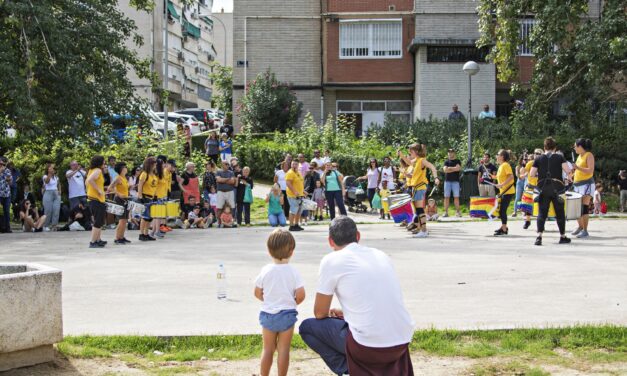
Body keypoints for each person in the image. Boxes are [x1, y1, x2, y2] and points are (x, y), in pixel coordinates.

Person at [299, 217, 414, 375]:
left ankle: (347, 371)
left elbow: (320, 313)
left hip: (367, 346)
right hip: (402, 340)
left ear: (330, 241)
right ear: (358, 236)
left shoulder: (331, 260)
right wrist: (347, 313)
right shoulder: (380, 255)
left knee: (308, 328)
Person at [255, 229, 305, 376]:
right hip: (287, 315)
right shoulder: (293, 271)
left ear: (269, 251)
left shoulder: (266, 270)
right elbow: (301, 295)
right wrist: (292, 302)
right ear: (291, 251)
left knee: (267, 349)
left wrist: (268, 300)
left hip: (268, 314)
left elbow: (257, 292)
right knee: (283, 349)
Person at [529, 137, 572, 246]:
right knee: (560, 213)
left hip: (543, 188)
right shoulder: (560, 157)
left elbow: (531, 174)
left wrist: (541, 173)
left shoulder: (538, 159)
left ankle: (539, 237)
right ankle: (562, 236)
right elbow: (568, 171)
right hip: (557, 188)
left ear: (544, 147)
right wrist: (569, 178)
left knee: (542, 213)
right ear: (555, 148)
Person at [398, 143, 440, 238]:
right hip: (416, 187)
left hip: (420, 187)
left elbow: (432, 167)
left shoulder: (422, 160)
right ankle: (421, 229)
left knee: (420, 209)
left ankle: (424, 230)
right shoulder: (416, 161)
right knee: (418, 209)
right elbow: (408, 162)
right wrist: (401, 155)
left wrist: (436, 177)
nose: (410, 153)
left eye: (411, 152)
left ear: (416, 152)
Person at [571, 138, 595, 238]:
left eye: (575, 146)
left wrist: (577, 168)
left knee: (584, 207)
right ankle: (580, 227)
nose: (574, 148)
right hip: (577, 184)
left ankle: (585, 230)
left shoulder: (588, 155)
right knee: (577, 207)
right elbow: (578, 170)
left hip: (586, 184)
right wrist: (572, 174)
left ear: (580, 147)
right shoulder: (579, 156)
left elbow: (590, 170)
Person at [85, 155, 108, 248]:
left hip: (94, 198)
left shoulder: (91, 170)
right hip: (96, 199)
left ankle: (98, 239)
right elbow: (90, 180)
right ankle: (93, 241)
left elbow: (87, 182)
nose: (104, 163)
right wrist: (98, 190)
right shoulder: (97, 170)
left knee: (99, 220)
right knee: (98, 221)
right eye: (103, 161)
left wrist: (100, 190)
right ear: (100, 162)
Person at [107, 162, 132, 244]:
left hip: (126, 199)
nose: (126, 168)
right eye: (124, 167)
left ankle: (122, 237)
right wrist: (118, 193)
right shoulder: (118, 178)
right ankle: (117, 238)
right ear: (121, 169)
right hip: (119, 200)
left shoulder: (124, 178)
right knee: (121, 220)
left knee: (125, 220)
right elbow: (110, 188)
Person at [494, 149, 516, 236]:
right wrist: (493, 176)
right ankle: (504, 227)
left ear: (502, 157)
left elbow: (511, 177)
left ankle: (504, 229)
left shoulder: (505, 165)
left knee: (502, 210)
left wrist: (502, 184)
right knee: (501, 210)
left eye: (498, 154)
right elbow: (501, 177)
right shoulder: (501, 166)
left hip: (508, 191)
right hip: (504, 191)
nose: (496, 156)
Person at [137, 157, 158, 241]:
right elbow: (140, 185)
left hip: (152, 197)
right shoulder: (144, 174)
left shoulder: (153, 175)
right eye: (154, 163)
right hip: (145, 197)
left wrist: (155, 196)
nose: (155, 165)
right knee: (144, 217)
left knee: (150, 217)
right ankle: (141, 234)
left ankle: (146, 233)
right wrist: (140, 197)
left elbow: (155, 187)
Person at [215, 159, 237, 228]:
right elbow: (218, 180)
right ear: (222, 165)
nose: (228, 165)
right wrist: (228, 179)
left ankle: (232, 222)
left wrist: (223, 180)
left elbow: (232, 182)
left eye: (228, 164)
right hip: (220, 192)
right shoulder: (218, 172)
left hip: (230, 191)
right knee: (219, 207)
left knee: (232, 207)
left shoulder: (231, 172)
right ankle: (219, 223)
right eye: (226, 164)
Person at [285, 161, 305, 232]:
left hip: (300, 195)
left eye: (296, 164)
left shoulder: (298, 172)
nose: (294, 165)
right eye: (293, 164)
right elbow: (288, 183)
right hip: (293, 195)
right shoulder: (290, 173)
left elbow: (300, 183)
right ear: (291, 165)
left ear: (298, 165)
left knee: (299, 211)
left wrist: (303, 191)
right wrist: (295, 191)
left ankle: (296, 224)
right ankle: (291, 225)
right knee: (293, 210)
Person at [42, 163, 61, 231]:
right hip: (48, 193)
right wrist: (49, 173)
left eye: (53, 168)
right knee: (48, 210)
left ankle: (54, 225)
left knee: (56, 210)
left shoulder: (56, 177)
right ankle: (45, 225)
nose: (53, 169)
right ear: (48, 169)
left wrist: (59, 191)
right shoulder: (45, 176)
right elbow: (47, 182)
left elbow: (59, 184)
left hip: (56, 193)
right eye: (51, 168)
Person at [442, 149, 462, 217]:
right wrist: (454, 168)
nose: (450, 153)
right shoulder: (446, 161)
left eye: (451, 152)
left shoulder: (458, 161)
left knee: (456, 197)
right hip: (447, 181)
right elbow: (445, 170)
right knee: (446, 197)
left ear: (454, 153)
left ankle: (458, 212)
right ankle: (446, 212)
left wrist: (449, 168)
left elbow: (458, 169)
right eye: (449, 152)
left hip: (455, 182)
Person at [513, 154, 528, 218]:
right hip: (520, 182)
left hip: (526, 181)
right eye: (524, 159)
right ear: (521, 160)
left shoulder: (528, 166)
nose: (525, 160)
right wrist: (523, 174)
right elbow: (518, 175)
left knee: (525, 197)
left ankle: (524, 211)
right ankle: (515, 211)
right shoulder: (518, 167)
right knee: (518, 197)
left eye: (526, 159)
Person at [0, 157, 13, 233]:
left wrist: (9, 180)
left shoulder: (7, 171)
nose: (2, 165)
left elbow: (10, 183)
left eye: (2, 164)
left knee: (6, 212)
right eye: (0, 164)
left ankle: (7, 228)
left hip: (7, 194)